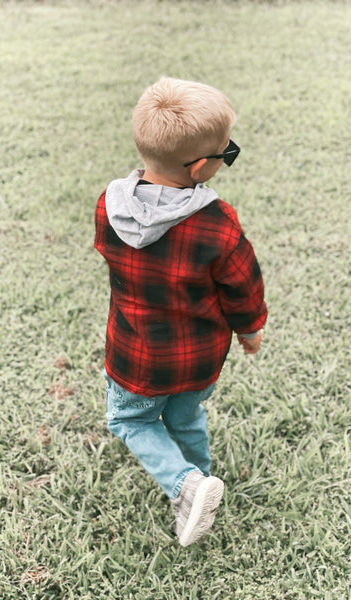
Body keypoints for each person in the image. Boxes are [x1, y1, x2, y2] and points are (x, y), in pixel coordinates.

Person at [94, 77, 267, 547]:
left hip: (135, 355)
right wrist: (250, 330)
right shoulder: (215, 223)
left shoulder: (108, 209)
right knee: (186, 417)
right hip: (198, 356)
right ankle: (198, 486)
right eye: (226, 154)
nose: (227, 158)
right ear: (199, 168)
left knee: (131, 420)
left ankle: (186, 486)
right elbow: (243, 286)